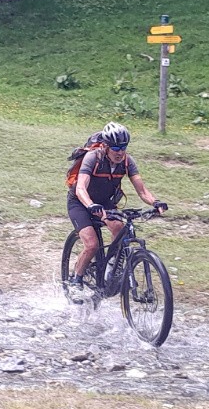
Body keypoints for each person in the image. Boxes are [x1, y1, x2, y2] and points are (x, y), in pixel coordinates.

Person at [66, 122, 167, 299]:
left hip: (105, 202)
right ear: (105, 146)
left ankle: (112, 268)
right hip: (80, 203)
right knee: (92, 244)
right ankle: (76, 279)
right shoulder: (93, 158)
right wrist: (90, 205)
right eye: (115, 148)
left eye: (123, 147)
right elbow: (81, 187)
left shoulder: (127, 161)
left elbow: (142, 191)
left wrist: (155, 202)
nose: (120, 152)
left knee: (119, 228)